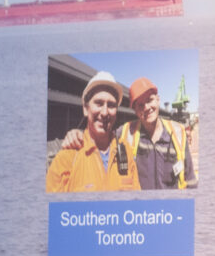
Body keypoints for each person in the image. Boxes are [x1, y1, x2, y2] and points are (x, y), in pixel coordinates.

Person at [61, 77, 196, 190]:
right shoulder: (126, 132)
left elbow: (190, 180)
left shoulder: (178, 132)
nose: (147, 108)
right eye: (140, 105)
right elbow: (100, 135)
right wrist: (77, 133)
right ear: (135, 111)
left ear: (158, 100)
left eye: (150, 100)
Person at [46, 71, 139, 192]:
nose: (105, 112)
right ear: (85, 109)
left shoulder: (126, 151)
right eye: (99, 103)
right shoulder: (67, 157)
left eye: (111, 105)